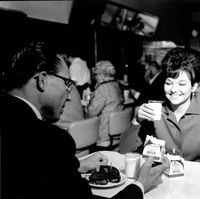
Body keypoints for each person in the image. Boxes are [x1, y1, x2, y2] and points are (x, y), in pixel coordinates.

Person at [0, 41, 168, 199]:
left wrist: (75, 165)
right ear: (42, 80)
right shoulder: (52, 142)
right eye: (67, 84)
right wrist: (140, 185)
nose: (69, 95)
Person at [120, 47, 200, 164]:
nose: (173, 89)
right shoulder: (155, 111)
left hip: (194, 178)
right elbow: (124, 151)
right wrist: (136, 121)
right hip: (160, 178)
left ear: (194, 86)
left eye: (182, 84)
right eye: (168, 83)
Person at [85, 60, 125, 147]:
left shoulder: (102, 89)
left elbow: (91, 113)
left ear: (103, 75)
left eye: (96, 74)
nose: (95, 77)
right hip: (117, 134)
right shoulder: (116, 85)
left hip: (104, 136)